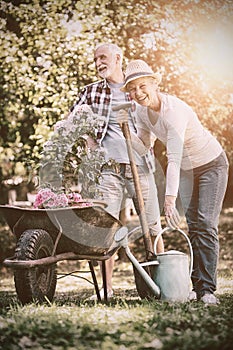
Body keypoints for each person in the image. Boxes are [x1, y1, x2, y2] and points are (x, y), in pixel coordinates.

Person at [118, 59, 229, 305]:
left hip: (211, 164)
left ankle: (207, 289)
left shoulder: (173, 111)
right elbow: (144, 146)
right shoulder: (140, 111)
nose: (138, 93)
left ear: (155, 84)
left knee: (206, 223)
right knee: (193, 226)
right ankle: (197, 285)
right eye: (132, 89)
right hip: (188, 172)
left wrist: (169, 199)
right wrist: (125, 129)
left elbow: (174, 157)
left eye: (142, 86)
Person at [69, 44, 164, 300]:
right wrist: (89, 140)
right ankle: (107, 289)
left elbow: (156, 114)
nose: (99, 62)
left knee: (153, 224)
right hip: (108, 172)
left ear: (118, 58)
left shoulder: (137, 89)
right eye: (95, 59)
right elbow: (73, 119)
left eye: (103, 57)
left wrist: (150, 138)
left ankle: (162, 284)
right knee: (106, 227)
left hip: (141, 168)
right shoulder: (90, 92)